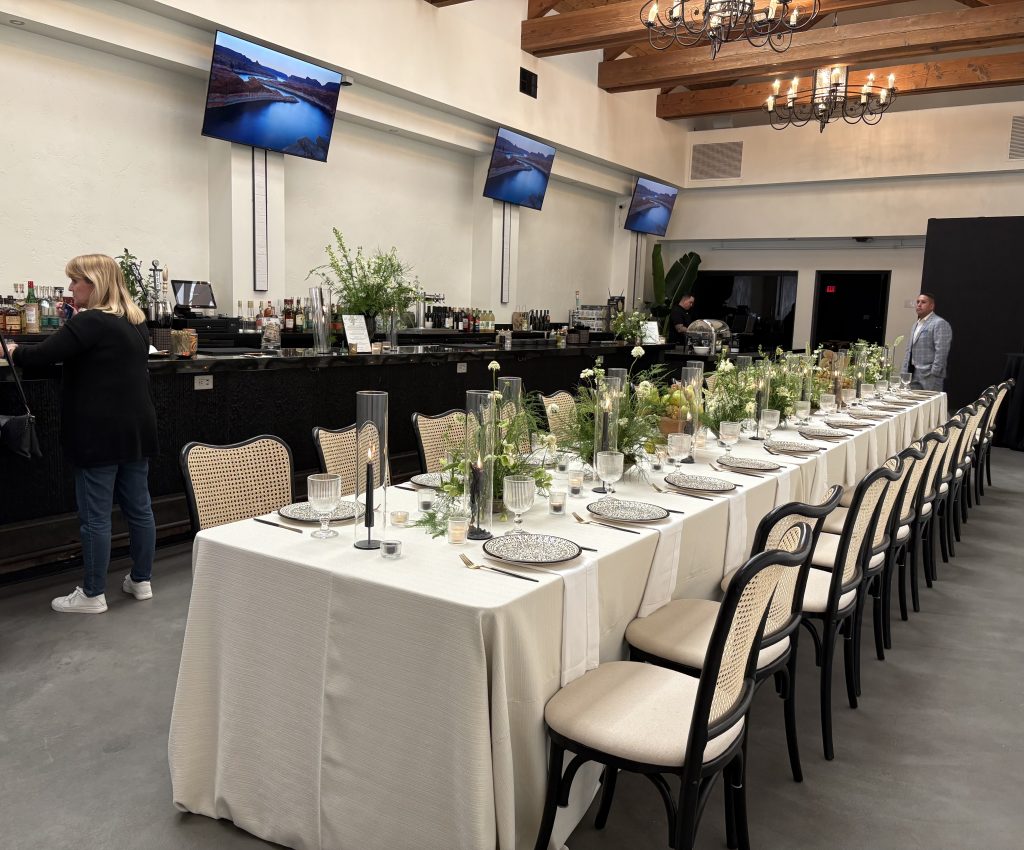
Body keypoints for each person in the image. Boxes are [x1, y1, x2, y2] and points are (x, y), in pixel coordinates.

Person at [5, 254, 158, 613]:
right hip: (137, 429)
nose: (71, 287)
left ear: (95, 283)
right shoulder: (135, 321)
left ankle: (92, 595)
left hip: (98, 432)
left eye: (76, 280)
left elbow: (43, 354)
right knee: (140, 510)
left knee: (95, 517)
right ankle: (141, 580)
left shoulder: (91, 321)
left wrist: (12, 350)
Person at [900, 291, 952, 391]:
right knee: (912, 400)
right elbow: (909, 350)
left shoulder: (939, 323)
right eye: (918, 302)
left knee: (931, 401)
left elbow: (942, 351)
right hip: (912, 373)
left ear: (931, 306)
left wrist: (934, 372)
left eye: (923, 302)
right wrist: (904, 370)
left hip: (930, 376)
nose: (919, 305)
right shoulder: (916, 324)